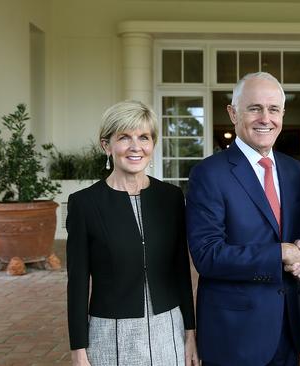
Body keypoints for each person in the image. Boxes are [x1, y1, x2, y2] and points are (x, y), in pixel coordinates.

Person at [185, 72, 300, 366]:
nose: (265, 118)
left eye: (273, 109)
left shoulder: (296, 172)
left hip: (287, 328)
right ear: (233, 113)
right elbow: (207, 255)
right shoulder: (209, 174)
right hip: (234, 333)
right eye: (254, 108)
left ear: (283, 114)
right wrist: (279, 252)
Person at [66, 100, 198, 366]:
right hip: (111, 333)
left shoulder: (171, 198)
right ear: (107, 145)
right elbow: (78, 283)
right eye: (124, 137)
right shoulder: (84, 204)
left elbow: (181, 271)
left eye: (144, 137)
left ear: (152, 144)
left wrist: (190, 333)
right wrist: (78, 349)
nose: (136, 146)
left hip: (168, 330)